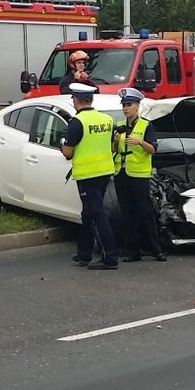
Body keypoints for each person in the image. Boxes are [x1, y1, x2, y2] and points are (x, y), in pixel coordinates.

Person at [61, 82, 119, 269]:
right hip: (105, 172)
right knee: (88, 213)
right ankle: (83, 253)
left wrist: (62, 144)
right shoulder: (107, 119)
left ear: (76, 100)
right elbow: (111, 145)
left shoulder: (77, 122)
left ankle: (109, 257)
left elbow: (68, 152)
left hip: (88, 175)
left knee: (96, 215)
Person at [112, 87, 166, 262]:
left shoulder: (146, 125)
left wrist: (140, 142)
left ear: (137, 106)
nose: (126, 109)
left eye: (129, 105)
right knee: (128, 214)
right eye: (124, 106)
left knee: (146, 213)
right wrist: (115, 142)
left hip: (139, 176)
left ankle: (156, 250)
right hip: (122, 174)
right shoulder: (120, 127)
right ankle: (133, 250)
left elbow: (153, 150)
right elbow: (114, 150)